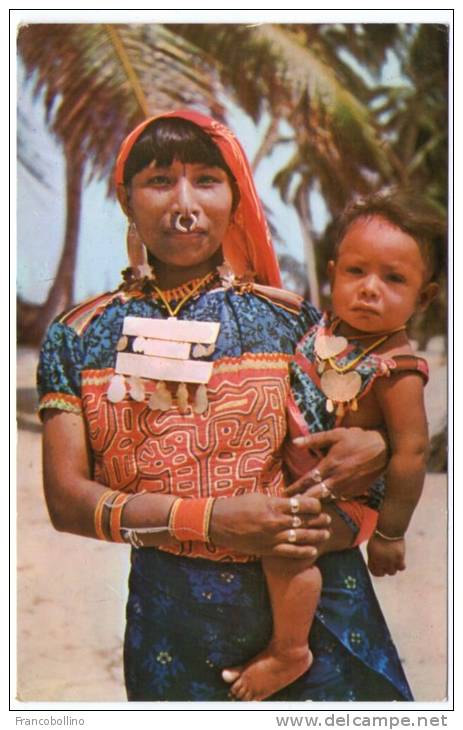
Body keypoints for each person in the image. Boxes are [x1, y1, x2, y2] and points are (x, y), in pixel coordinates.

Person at [37, 110, 413, 702]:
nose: (184, 204)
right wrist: (211, 520)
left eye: (206, 180)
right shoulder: (79, 336)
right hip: (174, 623)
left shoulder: (293, 323)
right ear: (127, 200)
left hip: (318, 618)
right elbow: (66, 501)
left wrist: (377, 449)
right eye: (160, 182)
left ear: (235, 199)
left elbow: (357, 439)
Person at [224, 189, 442, 701]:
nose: (369, 290)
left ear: (425, 297)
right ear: (332, 273)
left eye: (394, 279)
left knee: (288, 548)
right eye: (355, 273)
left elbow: (410, 452)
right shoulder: (322, 328)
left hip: (350, 502)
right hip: (298, 480)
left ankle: (289, 652)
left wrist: (391, 532)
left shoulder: (398, 370)